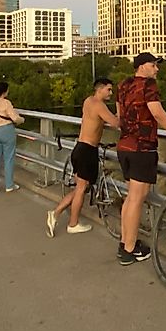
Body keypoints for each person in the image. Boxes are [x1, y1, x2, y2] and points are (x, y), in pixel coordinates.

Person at [115, 53, 166, 265]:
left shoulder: (123, 85)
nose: (157, 69)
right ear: (142, 67)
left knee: (132, 197)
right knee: (137, 199)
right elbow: (156, 112)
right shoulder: (149, 85)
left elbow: (119, 115)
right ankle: (129, 250)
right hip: (142, 148)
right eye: (153, 65)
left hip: (124, 146)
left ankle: (124, 242)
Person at [47, 78, 119, 237]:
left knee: (81, 186)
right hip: (87, 151)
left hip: (79, 148)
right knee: (81, 188)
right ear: (99, 89)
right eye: (109, 89)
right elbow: (115, 122)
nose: (111, 93)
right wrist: (120, 107)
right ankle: (73, 224)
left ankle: (55, 213)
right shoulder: (100, 105)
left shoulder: (88, 101)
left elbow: (99, 119)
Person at [0, 82, 25, 193]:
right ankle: (9, 185)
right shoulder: (6, 103)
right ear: (4, 92)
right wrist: (21, 120)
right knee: (9, 158)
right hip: (6, 131)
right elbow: (14, 118)